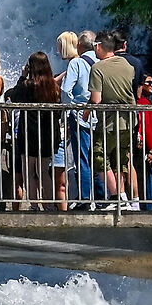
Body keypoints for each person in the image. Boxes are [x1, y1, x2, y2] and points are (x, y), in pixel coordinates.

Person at [4, 52, 63, 207]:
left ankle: (34, 205)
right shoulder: (54, 87)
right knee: (43, 171)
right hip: (48, 133)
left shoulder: (28, 85)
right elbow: (58, 111)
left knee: (29, 172)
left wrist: (23, 76)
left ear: (31, 67)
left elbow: (15, 96)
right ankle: (49, 205)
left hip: (29, 133)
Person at [92, 31, 139, 205]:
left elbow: (96, 99)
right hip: (128, 121)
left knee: (99, 157)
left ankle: (116, 197)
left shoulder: (98, 68)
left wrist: (87, 112)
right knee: (119, 160)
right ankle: (123, 197)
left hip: (109, 122)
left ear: (98, 47)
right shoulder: (128, 66)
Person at [56, 30, 95, 205]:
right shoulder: (99, 60)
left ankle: (85, 198)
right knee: (98, 157)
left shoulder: (77, 63)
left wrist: (67, 110)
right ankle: (100, 197)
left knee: (83, 158)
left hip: (80, 114)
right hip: (99, 114)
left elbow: (65, 91)